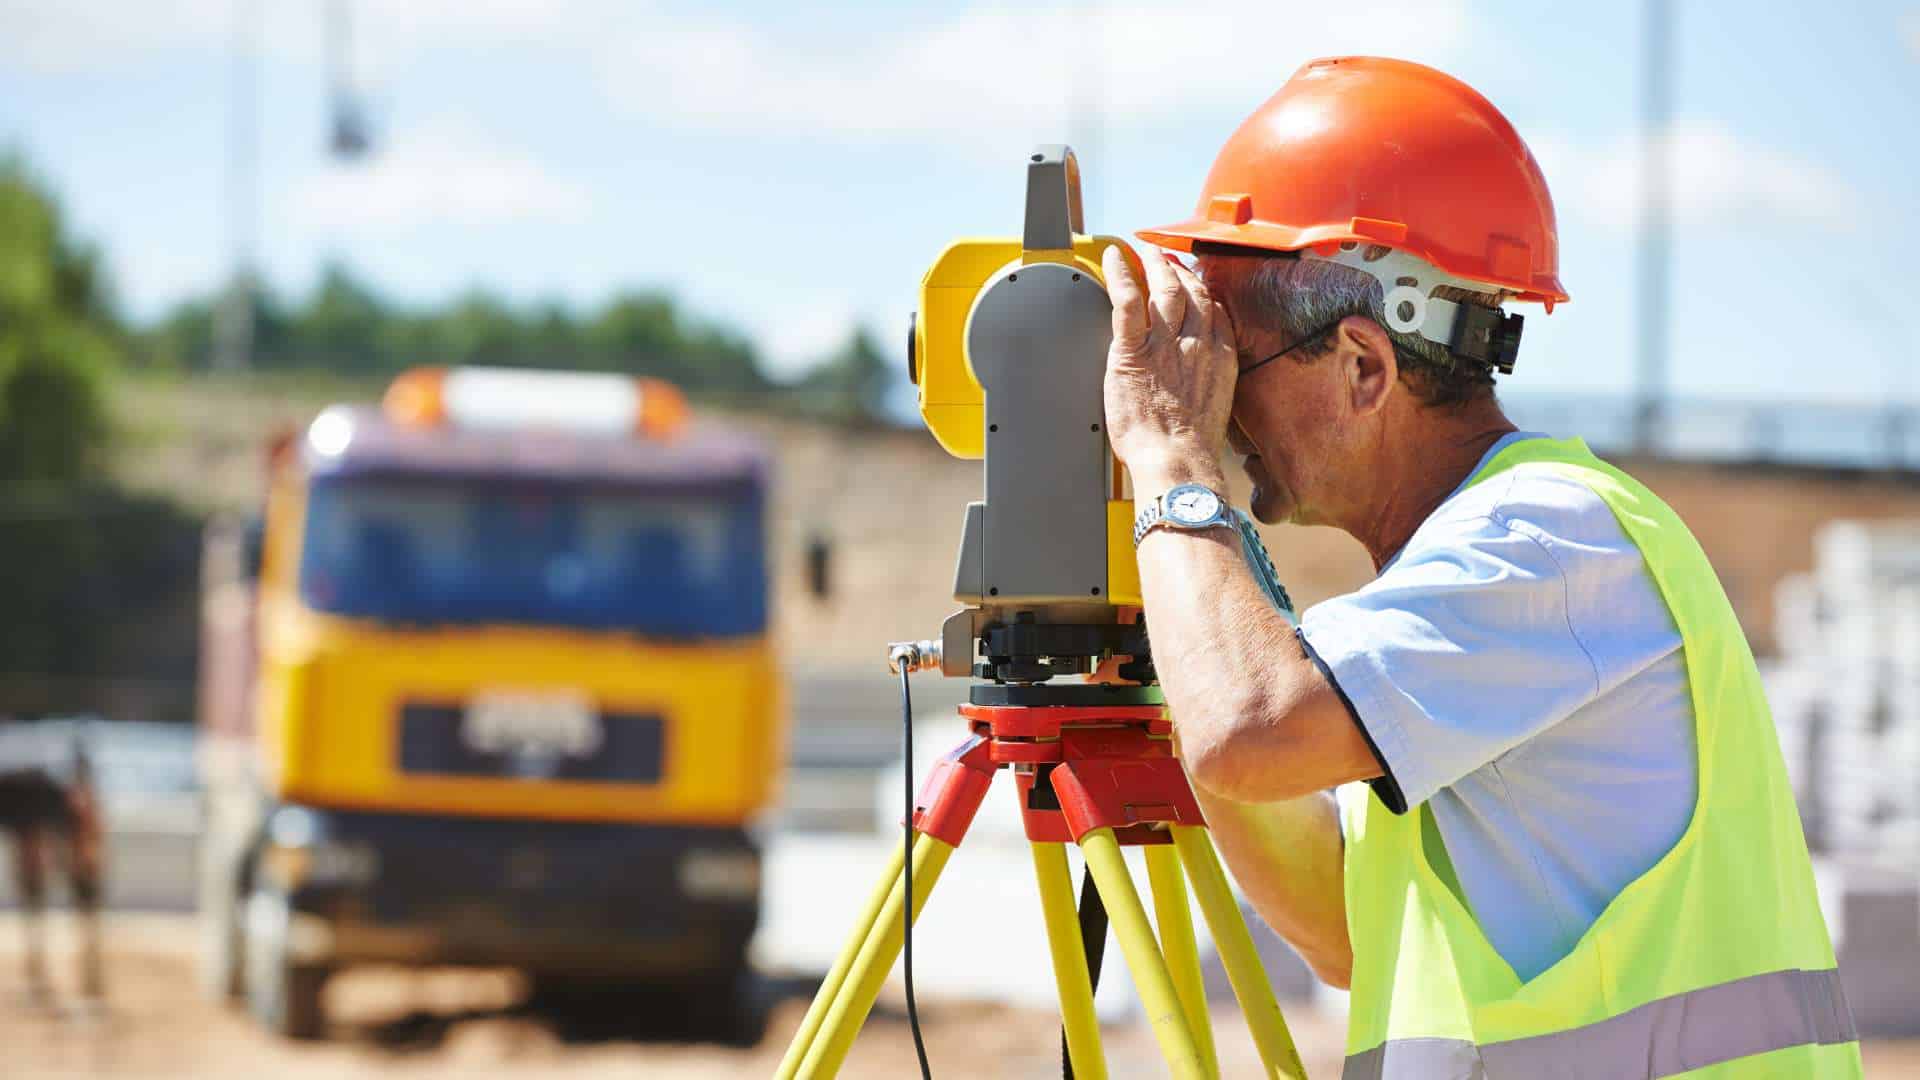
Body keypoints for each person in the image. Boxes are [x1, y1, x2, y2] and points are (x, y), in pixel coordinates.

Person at [1102, 56, 1861, 1078]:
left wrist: (1168, 457)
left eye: (1238, 360)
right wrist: (1182, 638)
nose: (1217, 401)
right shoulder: (1444, 606)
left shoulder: (1551, 540)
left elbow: (1249, 730)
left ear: (1366, 369)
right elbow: (1340, 930)